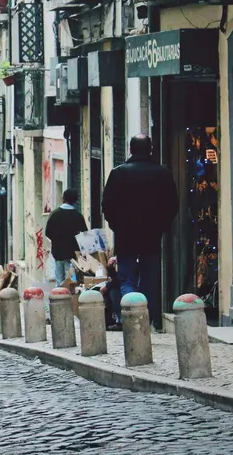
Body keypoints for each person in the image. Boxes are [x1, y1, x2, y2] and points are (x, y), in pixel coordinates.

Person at [102, 134, 179, 328]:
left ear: (130, 149)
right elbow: (172, 205)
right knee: (149, 278)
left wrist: (116, 226)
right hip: (151, 235)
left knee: (126, 278)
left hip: (125, 236)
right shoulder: (163, 173)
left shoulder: (119, 173)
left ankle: (131, 317)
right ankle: (147, 320)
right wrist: (161, 226)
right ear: (150, 149)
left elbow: (107, 205)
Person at [45, 188, 88, 288]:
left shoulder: (54, 214)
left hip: (58, 252)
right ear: (76, 200)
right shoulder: (78, 216)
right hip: (73, 254)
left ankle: (59, 298)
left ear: (63, 198)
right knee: (72, 280)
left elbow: (48, 233)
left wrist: (57, 240)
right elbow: (85, 234)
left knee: (60, 280)